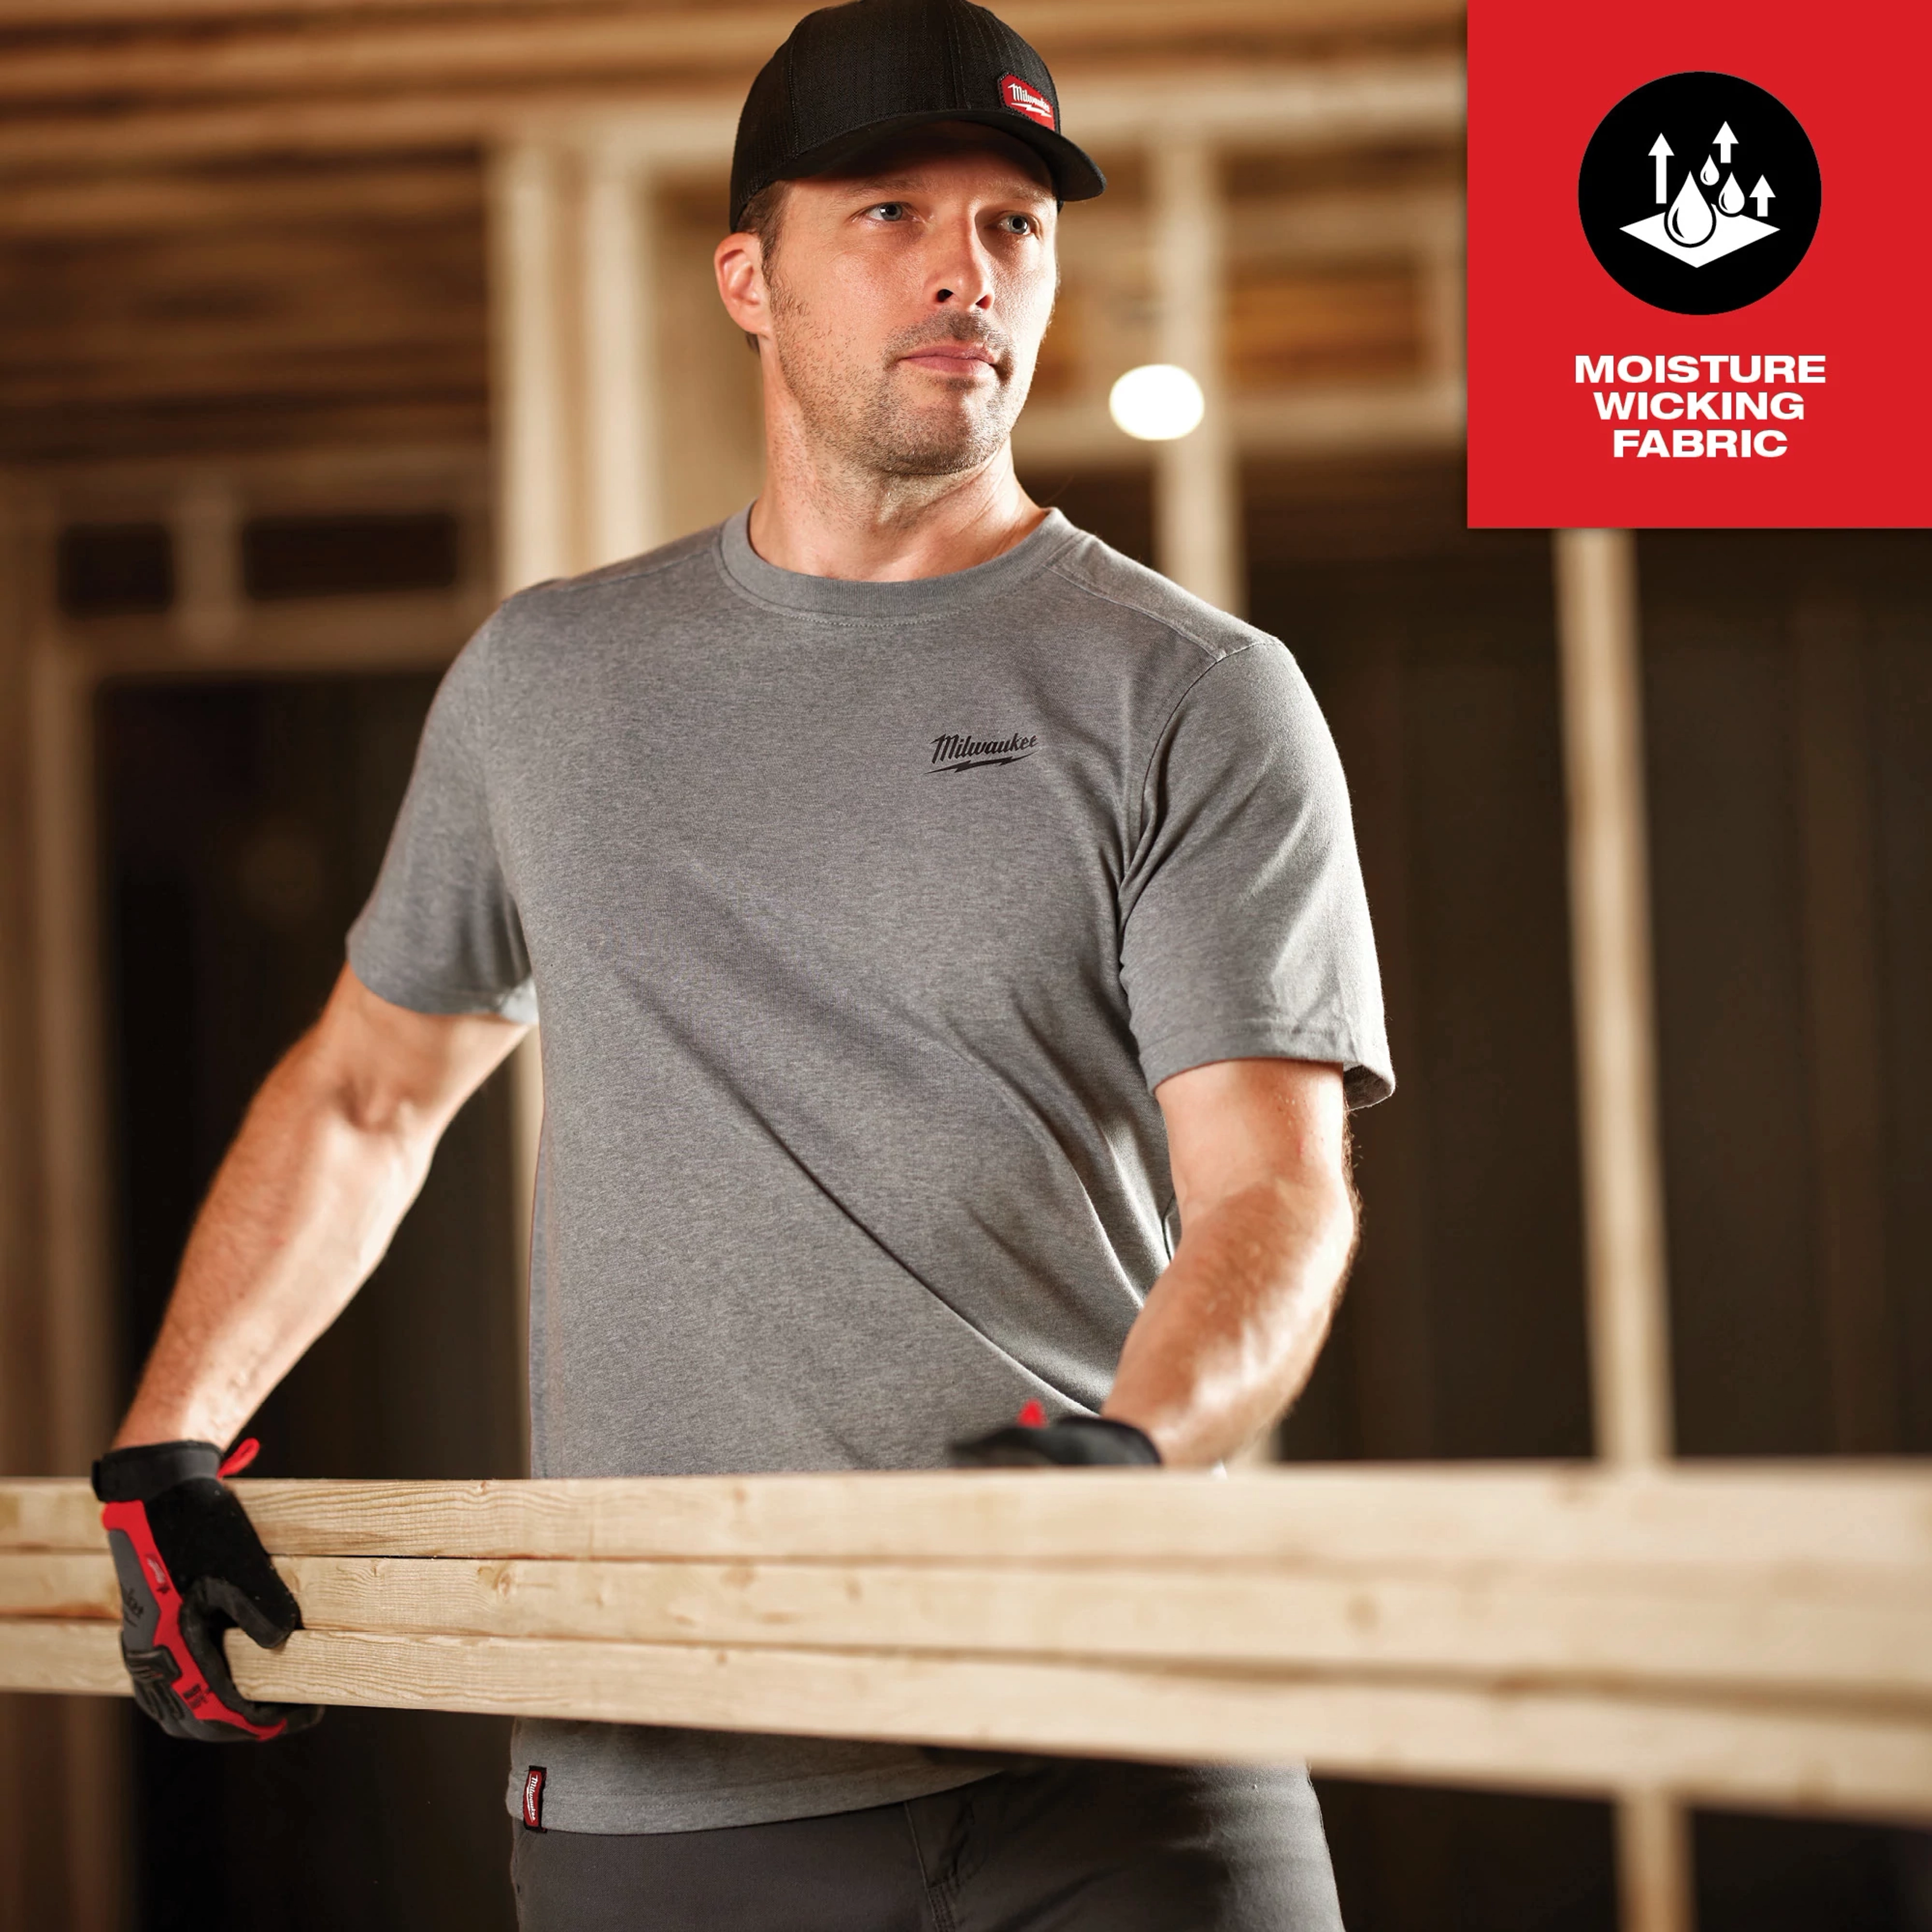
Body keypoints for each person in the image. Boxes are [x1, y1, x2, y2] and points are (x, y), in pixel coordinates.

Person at [91, 0, 1393, 1922]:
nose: (969, 267)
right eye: (889, 211)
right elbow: (373, 1088)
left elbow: (1271, 1191)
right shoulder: (553, 684)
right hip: (676, 1775)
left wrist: (1131, 1448)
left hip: (1119, 1734)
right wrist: (167, 1431)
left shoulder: (1193, 694)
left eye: (1015, 225)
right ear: (747, 276)